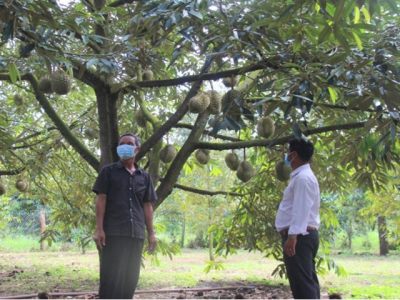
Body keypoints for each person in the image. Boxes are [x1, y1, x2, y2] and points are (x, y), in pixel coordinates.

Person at [92, 132, 157, 299]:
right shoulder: (108, 172)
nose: (124, 147)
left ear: (137, 148)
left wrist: (151, 234)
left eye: (128, 143)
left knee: (130, 279)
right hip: (113, 233)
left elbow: (147, 206)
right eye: (121, 144)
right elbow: (101, 199)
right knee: (111, 278)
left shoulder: (144, 177)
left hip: (136, 234)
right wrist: (99, 229)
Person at [275, 137, 321, 299]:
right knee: (306, 281)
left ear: (293, 155)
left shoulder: (303, 178)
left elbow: (301, 210)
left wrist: (292, 236)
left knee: (302, 285)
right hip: (303, 236)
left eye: (287, 152)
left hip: (300, 237)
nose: (286, 156)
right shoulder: (302, 177)